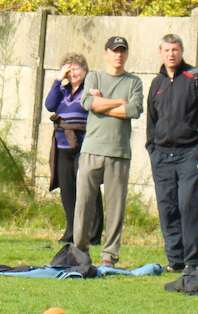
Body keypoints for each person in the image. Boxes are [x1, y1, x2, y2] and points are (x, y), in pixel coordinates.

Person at [145, 34, 198, 274]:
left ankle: (193, 260)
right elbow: (151, 120)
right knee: (167, 207)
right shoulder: (157, 83)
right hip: (162, 156)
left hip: (189, 154)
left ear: (182, 50)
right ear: (160, 53)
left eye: (175, 49)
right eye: (166, 50)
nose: (171, 54)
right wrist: (151, 148)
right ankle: (175, 260)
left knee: (189, 205)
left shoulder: (196, 78)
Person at [73, 36, 144, 268]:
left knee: (115, 208)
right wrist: (117, 103)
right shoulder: (93, 77)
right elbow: (87, 104)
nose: (118, 55)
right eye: (114, 51)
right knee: (83, 205)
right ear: (106, 53)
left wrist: (103, 104)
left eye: (122, 51)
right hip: (92, 150)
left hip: (119, 153)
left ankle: (109, 256)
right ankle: (79, 253)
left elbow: (133, 109)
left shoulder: (134, 82)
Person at [45, 53, 102, 246]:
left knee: (88, 189)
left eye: (76, 68)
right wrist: (58, 79)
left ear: (85, 70)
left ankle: (93, 234)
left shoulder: (90, 90)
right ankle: (71, 231)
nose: (73, 72)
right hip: (63, 147)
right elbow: (50, 105)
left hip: (84, 146)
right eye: (69, 69)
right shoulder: (61, 90)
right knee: (67, 191)